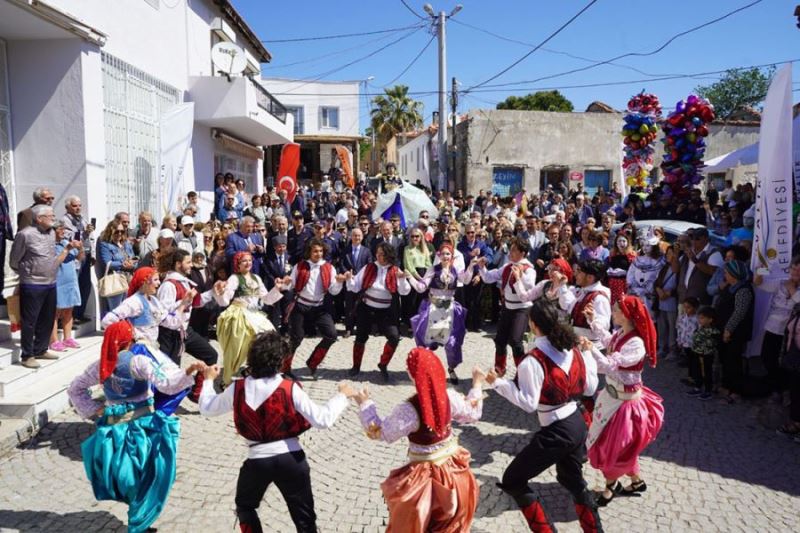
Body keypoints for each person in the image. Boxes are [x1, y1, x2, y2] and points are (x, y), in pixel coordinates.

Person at [199, 332, 356, 533]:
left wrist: (207, 380)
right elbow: (322, 419)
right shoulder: (289, 387)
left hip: (257, 461)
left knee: (246, 507)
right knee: (304, 519)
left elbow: (207, 408)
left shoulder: (237, 387)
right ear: (280, 361)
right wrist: (342, 396)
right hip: (291, 459)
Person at [68, 321, 204, 533]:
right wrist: (189, 371)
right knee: (150, 474)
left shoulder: (100, 366)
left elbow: (75, 389)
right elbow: (167, 383)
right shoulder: (139, 361)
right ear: (129, 341)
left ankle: (139, 521)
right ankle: (139, 523)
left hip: (115, 433)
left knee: (129, 477)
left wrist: (96, 409)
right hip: (142, 429)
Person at [481, 301, 602, 533]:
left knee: (513, 480)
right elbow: (589, 388)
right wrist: (587, 357)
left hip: (558, 430)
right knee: (572, 480)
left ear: (533, 325)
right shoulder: (573, 349)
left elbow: (527, 403)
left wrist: (496, 382)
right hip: (577, 422)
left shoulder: (533, 361)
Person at [354, 348, 484, 533]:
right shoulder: (449, 397)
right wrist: (477, 383)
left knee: (416, 524)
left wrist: (364, 403)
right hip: (454, 470)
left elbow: (381, 433)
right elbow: (473, 412)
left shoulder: (409, 410)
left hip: (424, 480)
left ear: (412, 375)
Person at [581, 295, 664, 507]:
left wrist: (591, 351)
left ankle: (610, 488)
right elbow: (609, 341)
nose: (613, 312)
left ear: (626, 316)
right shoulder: (622, 333)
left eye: (616, 310)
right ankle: (636, 482)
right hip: (612, 397)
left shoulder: (636, 343)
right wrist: (593, 321)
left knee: (611, 446)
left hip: (625, 405)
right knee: (620, 447)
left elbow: (610, 366)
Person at [10, 205, 76, 368]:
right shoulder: (24, 235)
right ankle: (27, 355)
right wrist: (27, 273)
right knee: (30, 321)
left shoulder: (52, 233)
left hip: (51, 282)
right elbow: (13, 261)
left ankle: (40, 349)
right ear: (39, 219)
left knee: (47, 318)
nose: (54, 218)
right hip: (32, 284)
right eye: (50, 215)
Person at [156, 249, 219, 401]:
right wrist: (183, 302)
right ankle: (161, 407)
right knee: (170, 374)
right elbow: (163, 315)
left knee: (211, 354)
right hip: (170, 335)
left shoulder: (183, 282)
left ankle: (196, 392)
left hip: (184, 330)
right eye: (188, 262)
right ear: (178, 264)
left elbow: (195, 303)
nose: (191, 265)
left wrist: (213, 292)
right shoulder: (169, 286)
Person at [214, 251, 284, 385]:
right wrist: (220, 293)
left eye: (250, 260)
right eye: (244, 261)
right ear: (237, 264)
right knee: (237, 347)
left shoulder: (256, 278)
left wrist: (277, 288)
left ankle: (253, 369)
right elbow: (224, 301)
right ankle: (226, 380)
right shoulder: (234, 278)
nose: (248, 263)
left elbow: (267, 299)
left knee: (269, 337)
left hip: (255, 314)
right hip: (239, 313)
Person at [344, 242, 411, 382]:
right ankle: (356, 366)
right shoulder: (369, 267)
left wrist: (402, 279)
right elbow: (355, 287)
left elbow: (404, 292)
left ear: (388, 255)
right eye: (378, 254)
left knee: (394, 337)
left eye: (382, 254)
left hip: (385, 311)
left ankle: (383, 364)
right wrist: (350, 279)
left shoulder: (394, 270)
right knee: (361, 337)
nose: (378, 256)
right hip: (366, 308)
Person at [409, 242, 472, 384]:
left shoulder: (455, 270)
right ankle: (424, 370)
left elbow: (466, 280)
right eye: (443, 253)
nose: (445, 256)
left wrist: (471, 266)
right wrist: (410, 277)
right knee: (428, 340)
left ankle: (451, 368)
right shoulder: (433, 269)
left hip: (450, 311)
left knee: (452, 342)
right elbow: (421, 287)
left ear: (452, 256)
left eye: (448, 254)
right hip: (434, 310)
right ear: (439, 255)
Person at [281, 239, 344, 378]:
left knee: (331, 335)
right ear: (309, 251)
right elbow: (289, 285)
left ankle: (313, 362)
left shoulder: (329, 268)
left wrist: (339, 282)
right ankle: (284, 368)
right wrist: (285, 283)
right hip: (301, 306)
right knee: (296, 338)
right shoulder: (300, 266)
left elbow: (333, 291)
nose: (318, 254)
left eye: (321, 251)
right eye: (315, 251)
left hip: (319, 307)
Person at [476, 237, 537, 376]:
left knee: (516, 341)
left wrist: (520, 276)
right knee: (500, 340)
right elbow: (488, 277)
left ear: (523, 253)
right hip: (507, 307)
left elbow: (530, 286)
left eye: (514, 250)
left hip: (522, 308)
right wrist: (482, 266)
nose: (510, 252)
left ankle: (523, 374)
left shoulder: (529, 269)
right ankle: (500, 368)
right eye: (511, 249)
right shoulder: (507, 266)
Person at [755, 255, 800, 407]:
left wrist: (792, 287)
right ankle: (776, 387)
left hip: (791, 333)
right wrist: (761, 268)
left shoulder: (790, 285)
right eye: (794, 268)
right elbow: (759, 283)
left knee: (786, 363)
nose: (795, 272)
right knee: (767, 357)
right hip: (773, 327)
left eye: (799, 270)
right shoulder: (781, 282)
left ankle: (782, 390)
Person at [713, 260, 754, 404]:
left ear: (734, 275)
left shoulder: (743, 290)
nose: (725, 274)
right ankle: (726, 386)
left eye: (727, 273)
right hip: (723, 329)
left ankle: (735, 392)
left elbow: (739, 313)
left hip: (735, 333)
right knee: (726, 360)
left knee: (733, 362)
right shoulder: (731, 287)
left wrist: (728, 330)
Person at [560, 259, 611, 349]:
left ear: (590, 277)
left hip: (591, 348)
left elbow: (604, 327)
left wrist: (592, 319)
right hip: (577, 344)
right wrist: (562, 286)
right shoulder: (583, 291)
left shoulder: (599, 298)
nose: (576, 274)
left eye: (580, 272)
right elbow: (566, 306)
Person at [50, 220, 84, 351]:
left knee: (69, 311)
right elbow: (55, 263)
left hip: (71, 282)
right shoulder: (49, 246)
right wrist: (67, 249)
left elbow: (80, 258)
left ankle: (68, 338)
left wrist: (80, 248)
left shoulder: (65, 242)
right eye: (61, 229)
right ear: (54, 230)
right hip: (58, 282)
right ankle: (54, 341)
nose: (63, 231)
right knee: (55, 312)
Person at [62, 195, 94, 323]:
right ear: (68, 207)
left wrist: (93, 255)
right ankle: (71, 317)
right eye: (75, 206)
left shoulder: (82, 219)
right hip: (74, 257)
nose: (78, 208)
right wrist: (84, 232)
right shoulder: (65, 220)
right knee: (74, 286)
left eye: (79, 205)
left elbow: (90, 237)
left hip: (86, 254)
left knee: (85, 285)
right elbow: (72, 237)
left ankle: (80, 313)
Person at [97, 219, 137, 312]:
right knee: (116, 310)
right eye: (117, 231)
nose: (119, 234)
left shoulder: (126, 243)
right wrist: (122, 264)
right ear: (110, 231)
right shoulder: (105, 244)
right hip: (116, 279)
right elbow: (107, 263)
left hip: (129, 279)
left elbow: (133, 257)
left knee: (128, 310)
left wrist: (133, 263)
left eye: (122, 231)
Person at [340, 227, 373, 337]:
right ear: (351, 236)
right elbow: (342, 264)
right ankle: (349, 328)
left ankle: (360, 328)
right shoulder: (346, 250)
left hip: (362, 283)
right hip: (349, 282)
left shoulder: (366, 251)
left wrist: (360, 276)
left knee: (361, 306)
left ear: (362, 237)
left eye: (359, 235)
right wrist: (348, 274)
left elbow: (369, 265)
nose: (357, 237)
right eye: (354, 235)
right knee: (349, 305)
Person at [686, 306, 721, 401]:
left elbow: (713, 344)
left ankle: (708, 390)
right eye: (699, 318)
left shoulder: (713, 332)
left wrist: (702, 342)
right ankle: (698, 387)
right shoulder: (701, 328)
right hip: (697, 353)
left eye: (702, 318)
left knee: (706, 373)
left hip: (706, 355)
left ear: (710, 319)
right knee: (697, 371)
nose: (699, 320)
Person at [606, 233, 635, 306]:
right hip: (613, 283)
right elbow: (610, 265)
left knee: (623, 304)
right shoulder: (612, 254)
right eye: (619, 241)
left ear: (627, 242)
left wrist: (625, 272)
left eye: (623, 241)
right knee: (614, 304)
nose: (621, 243)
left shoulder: (631, 255)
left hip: (624, 284)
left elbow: (634, 271)